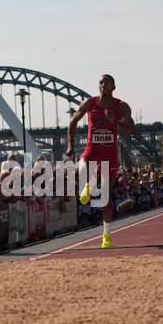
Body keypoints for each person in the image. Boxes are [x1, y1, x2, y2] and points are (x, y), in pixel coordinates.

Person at [66, 74, 136, 248]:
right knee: (81, 166)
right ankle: (87, 185)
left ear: (113, 87)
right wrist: (70, 145)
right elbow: (73, 120)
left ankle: (106, 235)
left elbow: (133, 130)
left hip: (109, 153)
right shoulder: (90, 103)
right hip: (92, 149)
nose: (103, 85)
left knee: (106, 196)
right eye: (101, 82)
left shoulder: (121, 106)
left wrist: (116, 121)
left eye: (107, 83)